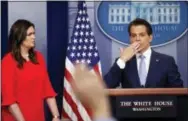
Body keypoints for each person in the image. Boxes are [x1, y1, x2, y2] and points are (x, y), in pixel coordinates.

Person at [1, 19, 60, 121]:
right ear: (19, 37)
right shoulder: (7, 61)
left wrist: (56, 116)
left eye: (34, 33)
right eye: (30, 34)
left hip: (38, 117)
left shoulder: (38, 58)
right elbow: (9, 100)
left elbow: (47, 90)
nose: (34, 37)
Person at [104, 18, 183, 88]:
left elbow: (179, 93)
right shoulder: (122, 62)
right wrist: (122, 60)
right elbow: (106, 86)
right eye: (134, 35)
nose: (137, 39)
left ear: (150, 38)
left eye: (142, 35)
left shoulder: (167, 62)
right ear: (130, 38)